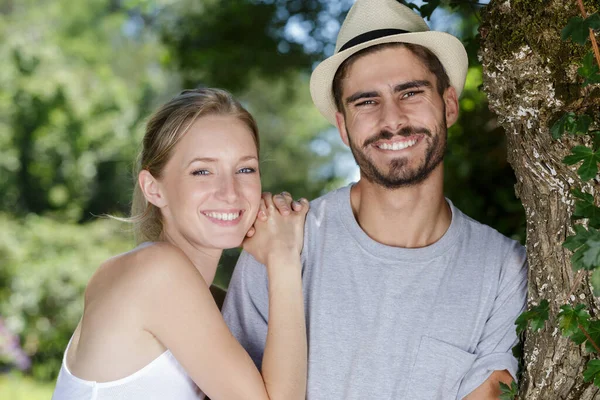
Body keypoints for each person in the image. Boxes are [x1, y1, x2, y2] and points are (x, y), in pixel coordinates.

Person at [222, 1, 528, 399]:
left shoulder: (503, 269)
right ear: (343, 128)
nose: (392, 119)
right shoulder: (281, 242)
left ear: (449, 105)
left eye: (411, 92)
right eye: (365, 101)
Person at [51, 88, 309, 400]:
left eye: (245, 169)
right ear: (153, 188)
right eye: (202, 170)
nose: (230, 192)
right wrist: (283, 257)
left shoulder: (205, 297)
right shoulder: (156, 273)